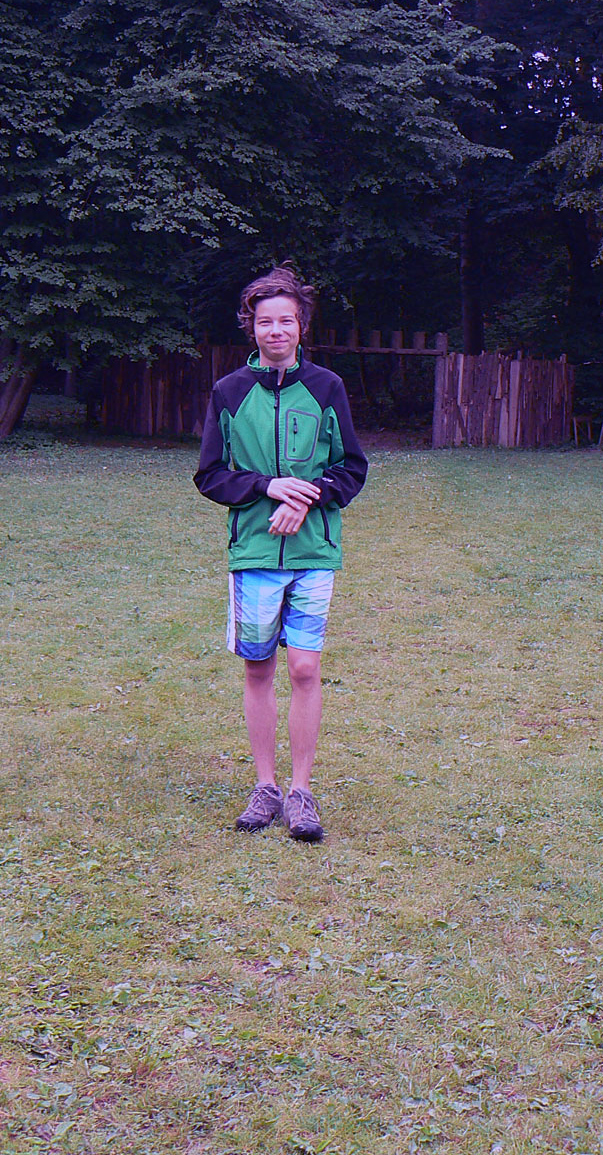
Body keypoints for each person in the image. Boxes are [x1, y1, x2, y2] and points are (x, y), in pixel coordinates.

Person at [193, 267, 368, 842]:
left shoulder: (327, 387)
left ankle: (301, 792)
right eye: (265, 321)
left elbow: (352, 467)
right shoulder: (228, 392)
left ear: (301, 325)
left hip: (315, 551)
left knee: (305, 668)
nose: (276, 331)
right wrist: (268, 487)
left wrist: (305, 497)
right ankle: (265, 787)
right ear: (251, 327)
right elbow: (210, 475)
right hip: (254, 553)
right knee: (259, 667)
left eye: (286, 321)